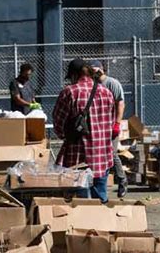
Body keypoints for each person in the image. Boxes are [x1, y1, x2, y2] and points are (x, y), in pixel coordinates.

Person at [53, 58, 115, 202]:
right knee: (100, 196)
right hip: (102, 153)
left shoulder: (70, 92)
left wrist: (65, 135)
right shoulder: (106, 92)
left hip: (78, 154)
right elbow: (111, 122)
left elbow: (58, 120)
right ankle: (102, 219)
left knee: (79, 200)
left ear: (75, 75)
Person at [89, 60, 128, 198]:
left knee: (111, 153)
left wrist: (117, 124)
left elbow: (120, 104)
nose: (94, 73)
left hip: (110, 125)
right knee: (98, 155)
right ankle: (98, 185)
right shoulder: (91, 85)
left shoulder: (112, 83)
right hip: (97, 126)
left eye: (96, 70)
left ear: (101, 69)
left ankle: (122, 179)